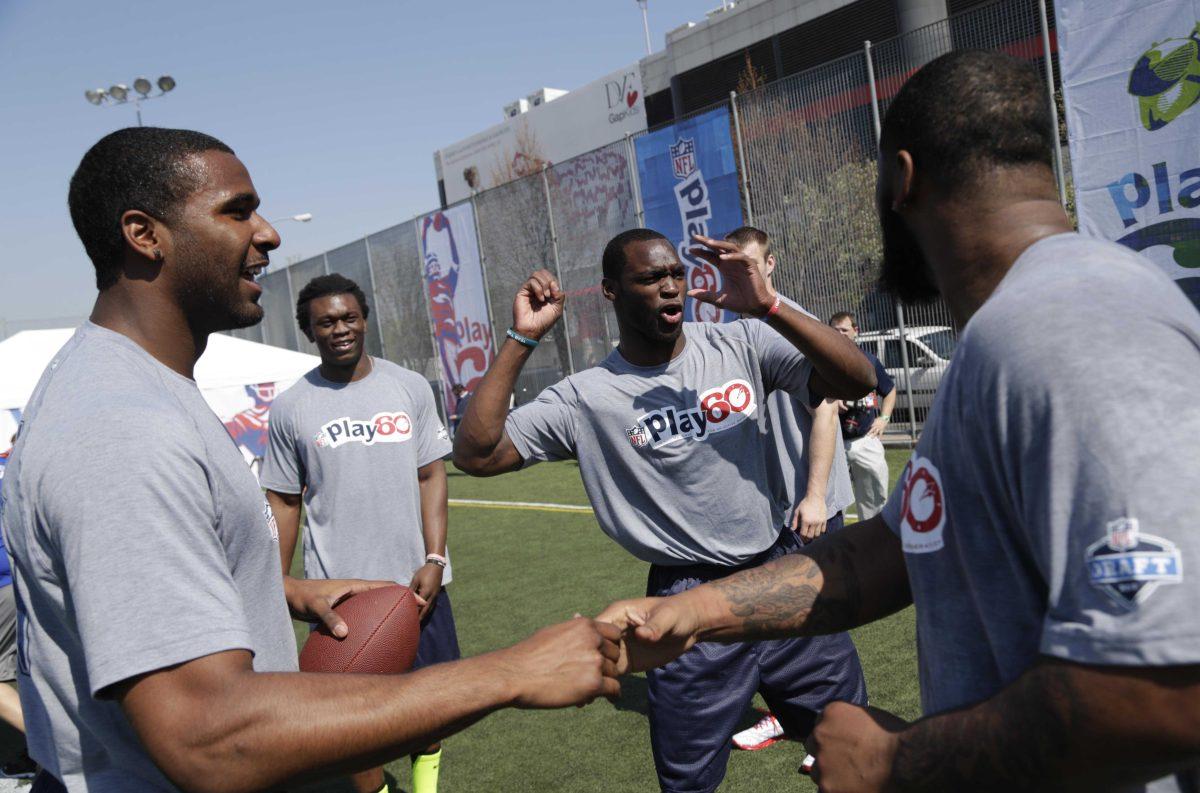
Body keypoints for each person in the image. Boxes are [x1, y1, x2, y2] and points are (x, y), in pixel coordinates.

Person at [600, 50, 1200, 792]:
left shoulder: (1065, 324)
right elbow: (885, 552)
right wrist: (693, 611)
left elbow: (1166, 689)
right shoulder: (1007, 332)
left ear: (902, 181)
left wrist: (897, 760)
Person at [0, 127, 621, 793]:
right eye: (236, 211)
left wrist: (279, 590)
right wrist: (511, 671)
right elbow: (207, 736)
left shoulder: (137, 389)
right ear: (144, 234)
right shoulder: (119, 426)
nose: (267, 233)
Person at [453, 227, 876, 792]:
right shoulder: (587, 396)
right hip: (685, 596)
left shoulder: (744, 342)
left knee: (858, 747)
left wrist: (770, 306)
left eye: (675, 274)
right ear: (611, 292)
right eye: (651, 278)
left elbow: (857, 377)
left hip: (781, 574)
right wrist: (519, 339)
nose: (670, 288)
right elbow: (478, 453)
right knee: (688, 782)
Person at [262, 273, 460, 793]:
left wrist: (435, 558)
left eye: (349, 317)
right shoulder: (291, 407)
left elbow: (430, 474)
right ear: (309, 332)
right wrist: (279, 583)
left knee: (430, 713)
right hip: (340, 596)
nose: (340, 329)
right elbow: (283, 499)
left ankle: (425, 785)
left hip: (417, 585)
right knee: (353, 730)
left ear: (365, 320)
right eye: (325, 322)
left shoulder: (409, 386)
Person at [722, 227, 860, 754]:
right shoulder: (738, 330)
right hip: (776, 510)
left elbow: (824, 407)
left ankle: (842, 731)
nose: (743, 277)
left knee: (818, 620)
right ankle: (789, 716)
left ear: (771, 265)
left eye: (750, 266)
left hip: (810, 506)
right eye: (733, 269)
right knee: (778, 621)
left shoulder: (785, 323)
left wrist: (816, 495)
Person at [828, 311, 896, 520]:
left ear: (855, 331)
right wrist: (830, 401)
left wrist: (883, 419)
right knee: (828, 501)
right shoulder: (822, 360)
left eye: (844, 330)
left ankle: (875, 546)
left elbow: (890, 390)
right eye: (834, 330)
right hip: (832, 441)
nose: (840, 334)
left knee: (875, 500)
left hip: (865, 439)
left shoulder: (869, 361)